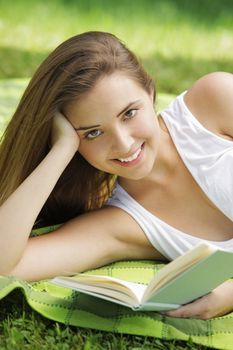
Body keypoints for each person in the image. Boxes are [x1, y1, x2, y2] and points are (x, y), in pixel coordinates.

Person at [0, 31, 233, 320]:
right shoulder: (119, 225)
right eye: (93, 132)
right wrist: (61, 149)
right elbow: (4, 264)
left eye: (129, 113)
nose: (124, 145)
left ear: (150, 93)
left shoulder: (213, 105)